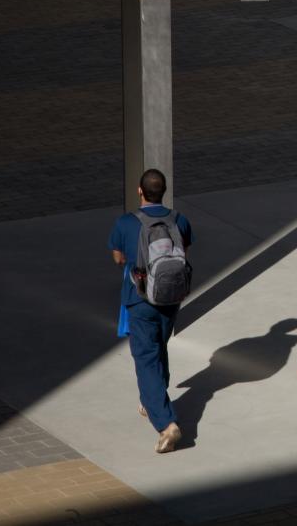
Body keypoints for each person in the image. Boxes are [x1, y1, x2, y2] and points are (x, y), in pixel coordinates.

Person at [108, 168, 193, 453]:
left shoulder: (125, 223)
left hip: (140, 298)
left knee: (145, 358)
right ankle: (152, 399)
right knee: (159, 347)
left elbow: (119, 258)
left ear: (140, 191)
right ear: (164, 191)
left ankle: (166, 423)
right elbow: (184, 254)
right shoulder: (179, 220)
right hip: (171, 298)